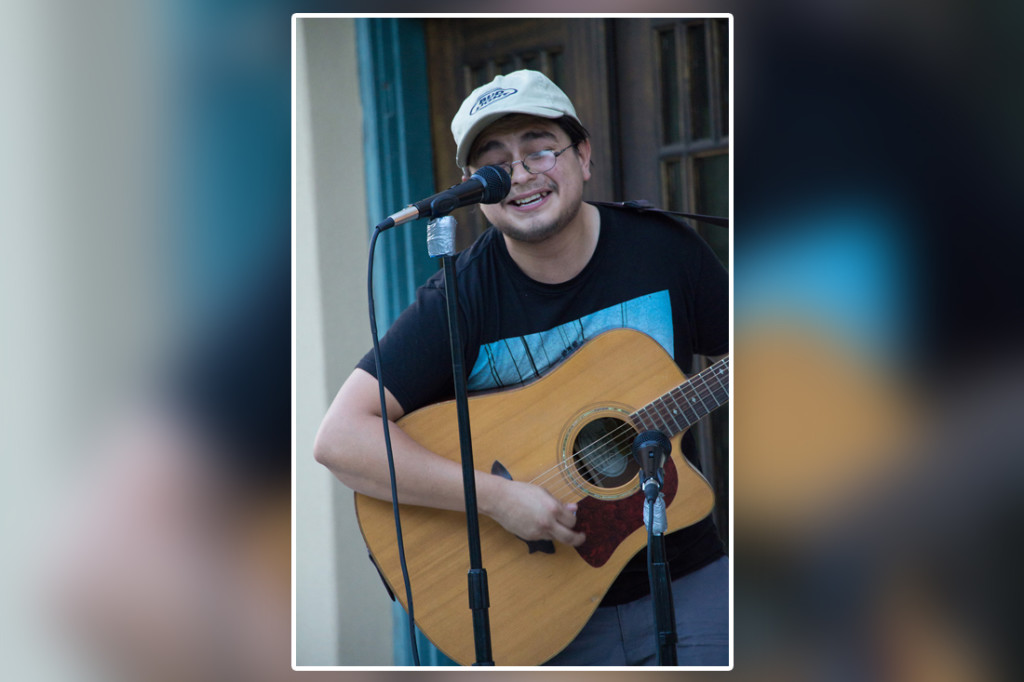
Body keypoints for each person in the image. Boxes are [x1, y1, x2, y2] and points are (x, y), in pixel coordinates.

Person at [314, 69, 729, 666]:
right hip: (538, 615)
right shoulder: (461, 297)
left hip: (687, 579)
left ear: (582, 156)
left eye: (539, 148)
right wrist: (496, 499)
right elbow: (340, 440)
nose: (521, 174)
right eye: (496, 162)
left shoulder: (665, 251)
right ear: (475, 188)